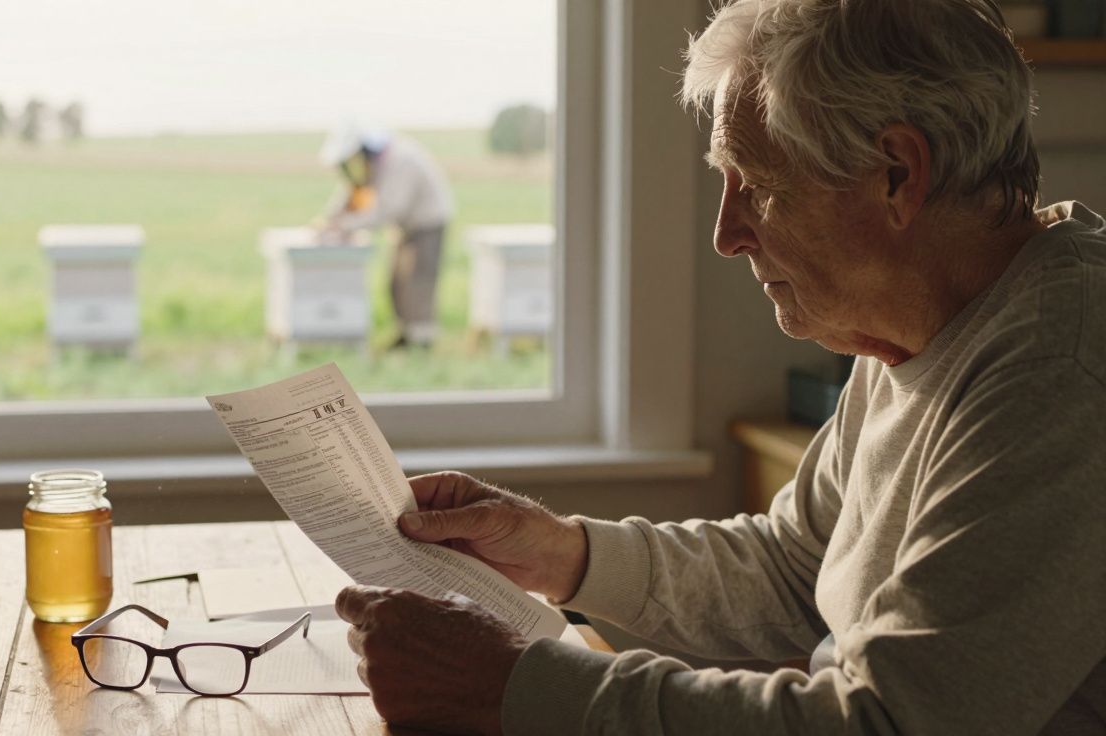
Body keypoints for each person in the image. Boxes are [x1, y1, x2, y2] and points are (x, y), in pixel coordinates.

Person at [334, 0, 1106, 733]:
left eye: (760, 187)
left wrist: (516, 688)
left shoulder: (1061, 366)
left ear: (897, 174)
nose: (726, 233)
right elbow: (791, 570)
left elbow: (892, 723)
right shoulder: (919, 323)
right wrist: (561, 552)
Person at [318, 122, 454, 348]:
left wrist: (346, 226)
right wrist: (329, 220)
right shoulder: (372, 164)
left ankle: (421, 344)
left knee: (417, 283)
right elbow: (352, 192)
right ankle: (405, 336)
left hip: (427, 224)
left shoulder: (401, 160)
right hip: (405, 227)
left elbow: (390, 209)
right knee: (397, 283)